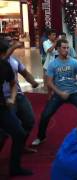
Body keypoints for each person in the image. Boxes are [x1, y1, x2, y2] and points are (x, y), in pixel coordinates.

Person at [32, 39, 77, 146]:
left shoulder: (74, 62)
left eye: (67, 48)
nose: (66, 50)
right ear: (57, 49)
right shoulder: (53, 65)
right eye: (64, 48)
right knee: (45, 115)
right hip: (58, 93)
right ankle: (41, 137)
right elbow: (49, 82)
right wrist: (59, 93)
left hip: (74, 92)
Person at [0, 40, 33, 176]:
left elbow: (13, 83)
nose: (4, 56)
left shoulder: (5, 66)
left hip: (2, 106)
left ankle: (15, 168)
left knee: (19, 133)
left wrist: (12, 98)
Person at [1, 37, 39, 153]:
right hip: (5, 99)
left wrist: (33, 82)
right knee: (5, 130)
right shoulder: (3, 61)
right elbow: (4, 59)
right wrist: (14, 46)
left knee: (29, 121)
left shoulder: (14, 60)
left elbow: (25, 73)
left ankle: (21, 147)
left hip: (18, 95)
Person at [43, 29, 58, 98]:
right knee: (49, 81)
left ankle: (56, 94)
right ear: (49, 36)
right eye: (53, 35)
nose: (54, 36)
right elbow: (49, 50)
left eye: (55, 35)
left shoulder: (58, 42)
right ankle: (49, 95)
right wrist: (55, 43)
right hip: (49, 65)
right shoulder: (45, 43)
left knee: (57, 80)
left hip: (58, 64)